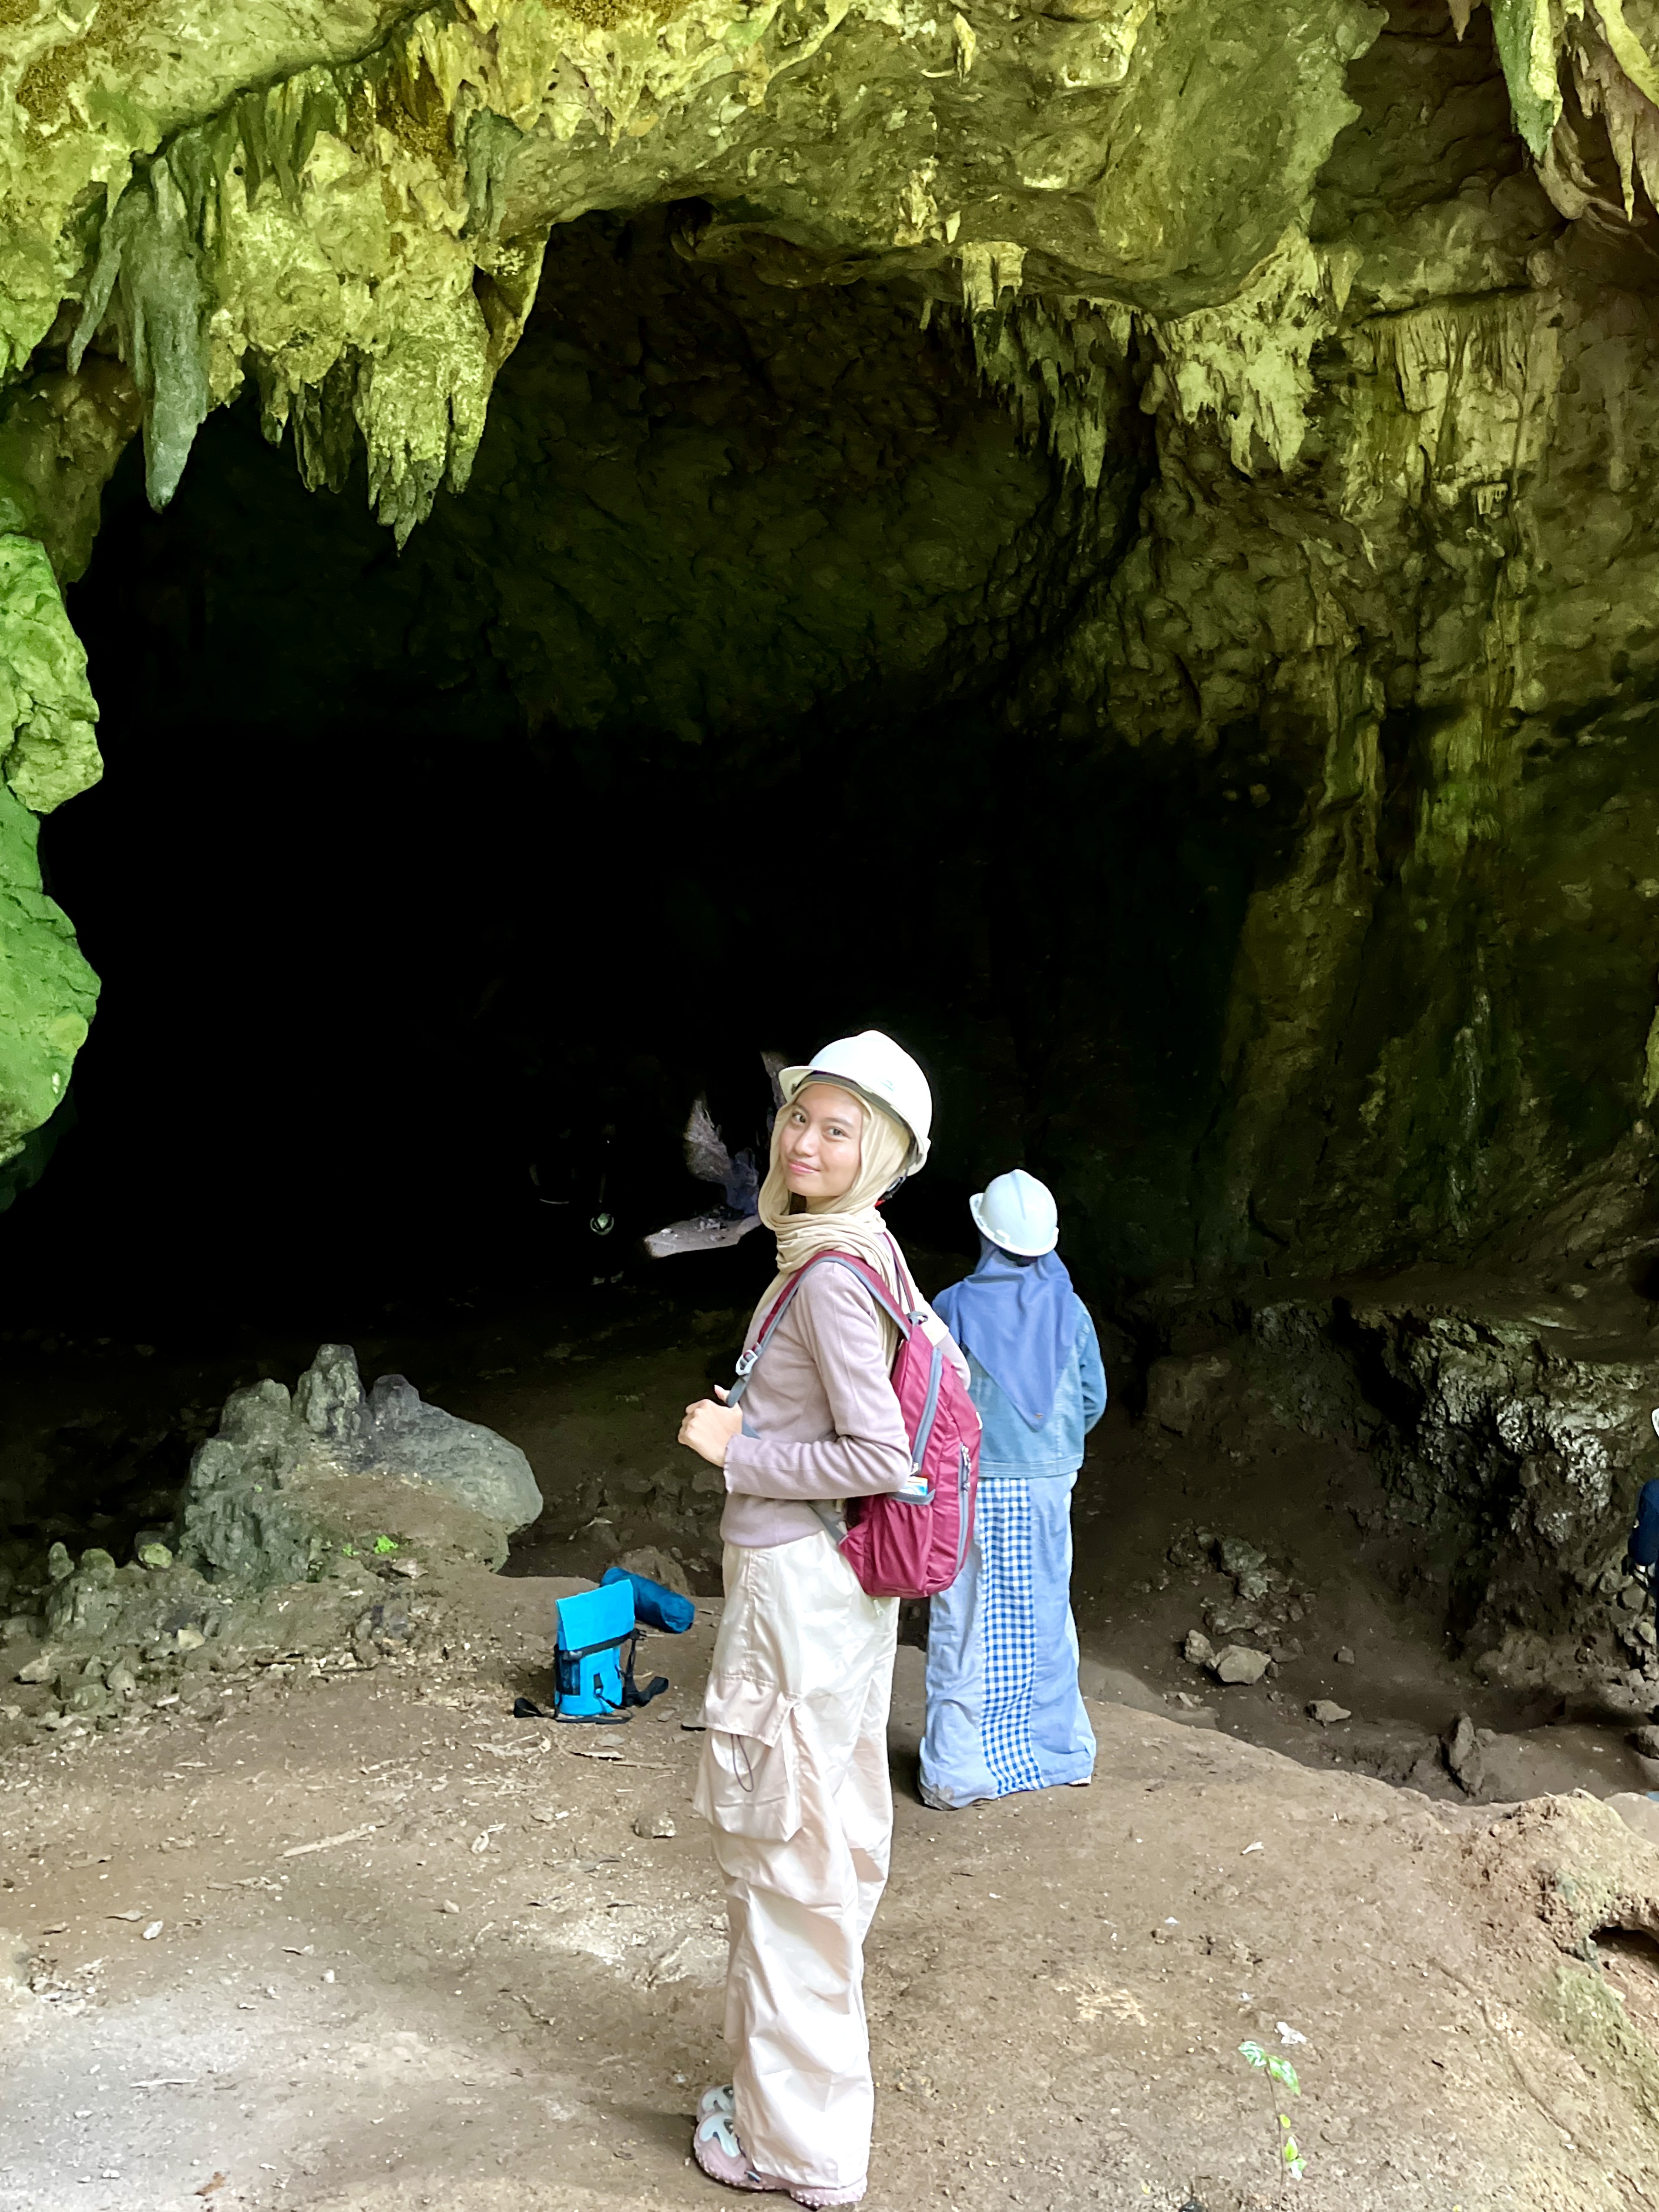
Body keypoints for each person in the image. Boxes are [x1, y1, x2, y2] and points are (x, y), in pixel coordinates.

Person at [676, 1030, 964, 2209]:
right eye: (801, 1115)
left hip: (797, 1589)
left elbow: (877, 1456)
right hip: (839, 1591)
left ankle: (795, 2149)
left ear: (879, 1154)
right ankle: (790, 2100)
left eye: (837, 1129)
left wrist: (738, 1449)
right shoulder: (863, 1251)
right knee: (830, 1839)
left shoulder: (834, 1275)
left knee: (784, 1856)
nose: (804, 1140)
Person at [919, 1167, 1104, 1810]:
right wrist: (1050, 1449)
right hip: (1050, 1486)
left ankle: (957, 1772)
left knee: (967, 1618)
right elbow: (1091, 1398)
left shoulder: (953, 1306)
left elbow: (932, 1402)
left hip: (974, 1484)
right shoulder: (1072, 1309)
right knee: (1046, 1613)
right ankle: (1057, 1754)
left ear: (985, 1233)